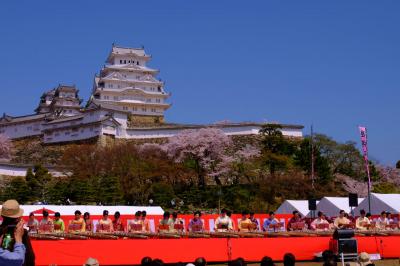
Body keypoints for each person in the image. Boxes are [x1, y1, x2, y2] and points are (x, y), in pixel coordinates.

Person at [0, 199, 35, 266]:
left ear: (2, 216)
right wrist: (19, 239)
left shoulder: (1, 231)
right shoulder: (22, 232)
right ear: (18, 217)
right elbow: (30, 257)